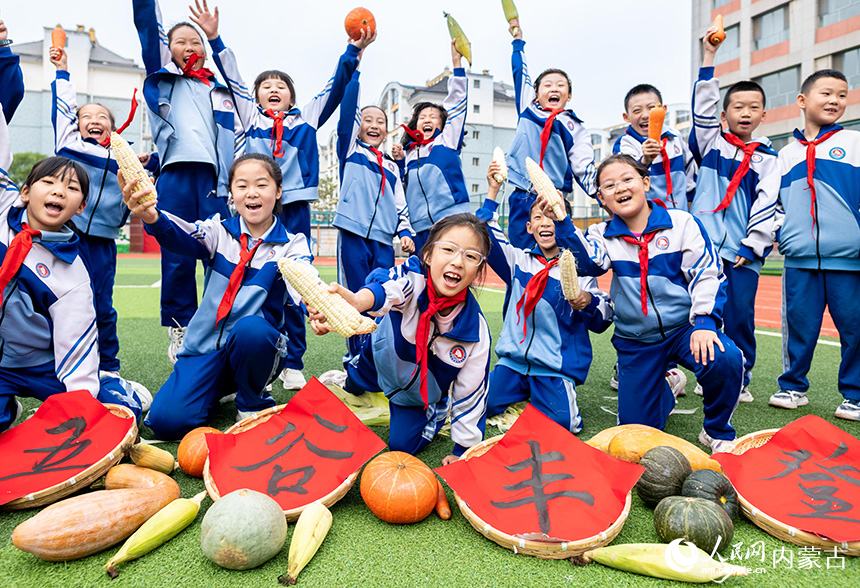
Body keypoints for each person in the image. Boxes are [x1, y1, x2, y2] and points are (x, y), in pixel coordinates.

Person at [191, 0, 365, 389]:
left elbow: (335, 86)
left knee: (297, 285)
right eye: (265, 86)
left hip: (294, 207)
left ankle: (293, 362)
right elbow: (233, 77)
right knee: (257, 283)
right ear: (255, 98)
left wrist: (353, 50)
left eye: (281, 86)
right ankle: (256, 354)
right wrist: (216, 39)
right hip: (252, 211)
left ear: (290, 96)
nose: (274, 89)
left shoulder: (308, 117)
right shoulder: (249, 117)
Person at [122, 154, 315, 440]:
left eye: (262, 185)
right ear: (231, 194)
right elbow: (183, 234)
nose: (252, 193)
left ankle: (252, 401)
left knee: (253, 329)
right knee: (166, 422)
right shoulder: (218, 231)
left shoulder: (292, 244)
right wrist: (152, 216)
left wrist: (313, 304)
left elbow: (304, 277)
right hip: (204, 350)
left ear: (278, 191)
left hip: (255, 347)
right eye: (242, 186)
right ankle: (218, 387)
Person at [564, 154, 743, 454]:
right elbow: (586, 263)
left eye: (627, 179)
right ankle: (666, 388)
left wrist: (704, 323)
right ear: (602, 199)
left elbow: (707, 273)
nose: (619, 187)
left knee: (725, 357)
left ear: (645, 182)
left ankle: (715, 430)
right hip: (636, 341)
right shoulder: (600, 234)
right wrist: (561, 220)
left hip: (683, 330)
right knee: (636, 438)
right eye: (609, 185)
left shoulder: (682, 223)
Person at [0, 94, 149, 432]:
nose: (58, 191)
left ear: (80, 207)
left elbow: (75, 345)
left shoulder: (73, 273)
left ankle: (122, 390)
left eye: (70, 188)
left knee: (111, 418)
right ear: (25, 192)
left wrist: (83, 406)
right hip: (1, 363)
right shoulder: (2, 208)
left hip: (43, 364)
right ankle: (8, 406)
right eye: (49, 183)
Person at [311, 214, 492, 466]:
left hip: (415, 394)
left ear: (478, 270)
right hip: (380, 358)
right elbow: (388, 288)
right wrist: (356, 302)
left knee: (401, 447)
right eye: (448, 249)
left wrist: (464, 450)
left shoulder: (475, 332)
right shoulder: (412, 277)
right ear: (428, 255)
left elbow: (471, 392)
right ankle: (351, 381)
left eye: (471, 256)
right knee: (355, 379)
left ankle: (437, 411)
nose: (458, 262)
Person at [132, 0, 240, 362]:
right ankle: (180, 329)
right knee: (178, 256)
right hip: (176, 175)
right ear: (169, 50)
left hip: (214, 182)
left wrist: (215, 36)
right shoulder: (164, 81)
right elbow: (148, 26)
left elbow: (236, 82)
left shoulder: (220, 91)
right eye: (180, 41)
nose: (189, 46)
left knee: (219, 256)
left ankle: (214, 329)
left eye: (196, 42)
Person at [477, 161, 612, 433]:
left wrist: (587, 301)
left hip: (554, 369)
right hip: (512, 364)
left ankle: (546, 396)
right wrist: (493, 190)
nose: (544, 222)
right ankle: (521, 393)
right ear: (529, 227)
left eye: (551, 216)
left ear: (562, 223)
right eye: (538, 217)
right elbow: (484, 230)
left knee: (564, 426)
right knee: (479, 406)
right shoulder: (518, 262)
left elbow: (604, 317)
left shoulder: (580, 269)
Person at [50, 45, 157, 382]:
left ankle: (108, 366)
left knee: (101, 306)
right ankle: (53, 365)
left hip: (103, 243)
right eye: (87, 117)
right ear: (76, 125)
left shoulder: (122, 161)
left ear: (114, 130)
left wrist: (151, 164)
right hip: (66, 236)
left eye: (102, 119)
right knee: (58, 303)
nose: (94, 121)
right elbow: (63, 106)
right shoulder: (69, 145)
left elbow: (155, 167)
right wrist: (63, 72)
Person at [688, 27, 780, 404]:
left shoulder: (768, 157)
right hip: (704, 247)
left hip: (743, 251)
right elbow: (702, 107)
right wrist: (709, 57)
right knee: (702, 310)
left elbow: (768, 202)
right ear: (724, 114)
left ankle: (740, 375)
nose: (745, 113)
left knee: (740, 315)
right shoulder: (711, 143)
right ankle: (705, 371)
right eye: (737, 107)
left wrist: (754, 243)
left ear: (763, 114)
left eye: (752, 107)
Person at [769, 69, 860, 421]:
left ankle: (854, 395)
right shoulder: (786, 155)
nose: (834, 100)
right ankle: (793, 387)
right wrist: (785, 230)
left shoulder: (854, 144)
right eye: (826, 93)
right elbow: (775, 205)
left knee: (855, 329)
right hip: (799, 260)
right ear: (803, 101)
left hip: (849, 260)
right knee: (798, 326)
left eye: (841, 94)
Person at [334, 62, 414, 365]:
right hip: (353, 234)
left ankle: (379, 356)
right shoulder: (350, 152)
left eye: (380, 120)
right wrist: (354, 73)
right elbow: (347, 113)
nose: (374, 124)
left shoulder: (392, 166)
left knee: (381, 294)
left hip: (383, 240)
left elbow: (399, 202)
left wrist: (404, 230)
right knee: (354, 295)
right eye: (367, 119)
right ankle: (355, 357)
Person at [502, 17, 597, 249]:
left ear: (569, 96)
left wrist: (602, 194)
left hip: (555, 198)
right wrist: (517, 41)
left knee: (557, 255)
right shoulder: (528, 107)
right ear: (536, 93)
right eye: (547, 84)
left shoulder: (575, 127)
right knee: (520, 255)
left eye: (561, 85)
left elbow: (583, 166)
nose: (554, 88)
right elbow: (519, 72)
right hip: (523, 194)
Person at [392, 42, 469, 252]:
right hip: (419, 229)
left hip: (452, 221)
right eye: (422, 117)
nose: (427, 119)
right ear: (415, 124)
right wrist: (399, 163)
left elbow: (457, 104)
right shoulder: (407, 153)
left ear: (443, 125)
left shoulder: (447, 141)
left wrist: (457, 65)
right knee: (422, 278)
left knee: (453, 274)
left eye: (433, 117)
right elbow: (399, 187)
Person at [613, 84, 696, 210]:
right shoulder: (624, 144)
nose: (645, 115)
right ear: (626, 117)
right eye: (637, 110)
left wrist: (690, 206)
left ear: (664, 109)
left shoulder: (675, 137)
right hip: (649, 221)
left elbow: (690, 173)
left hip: (682, 216)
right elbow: (625, 181)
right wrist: (645, 161)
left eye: (652, 108)